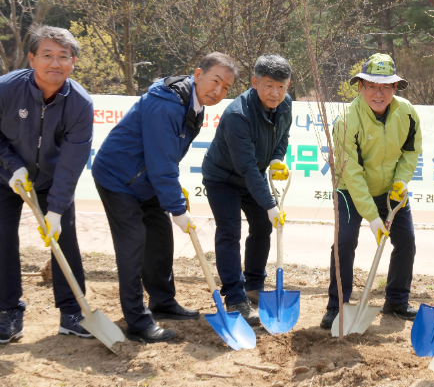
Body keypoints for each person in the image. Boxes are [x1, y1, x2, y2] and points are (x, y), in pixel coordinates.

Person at [91, 52, 237, 343]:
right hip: (118, 178)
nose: (218, 91)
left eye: (226, 88)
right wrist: (176, 207)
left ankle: (162, 302)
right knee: (133, 247)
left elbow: (169, 156)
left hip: (146, 182)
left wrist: (171, 196)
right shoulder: (167, 104)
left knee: (159, 240)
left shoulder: (194, 107)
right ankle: (137, 322)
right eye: (215, 81)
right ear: (198, 74)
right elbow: (161, 161)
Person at [0, 25, 94, 343]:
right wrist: (12, 168)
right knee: (1, 239)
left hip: (53, 180)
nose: (55, 63)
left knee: (64, 239)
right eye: (47, 55)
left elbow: (72, 161)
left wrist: (55, 209)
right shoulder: (6, 90)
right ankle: (8, 312)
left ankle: (72, 312)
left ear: (73, 62)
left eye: (63, 57)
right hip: (4, 178)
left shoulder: (80, 103)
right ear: (32, 58)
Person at [319, 53, 422, 329]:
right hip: (350, 192)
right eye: (372, 86)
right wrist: (373, 217)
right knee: (344, 242)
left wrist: (400, 182)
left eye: (386, 86)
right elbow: (352, 174)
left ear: (395, 88)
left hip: (391, 191)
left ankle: (397, 301)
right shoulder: (347, 121)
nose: (379, 93)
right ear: (360, 87)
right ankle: (336, 305)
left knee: (407, 241)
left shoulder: (408, 113)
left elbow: (411, 153)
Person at [201, 54, 292, 326]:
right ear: (254, 82)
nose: (275, 93)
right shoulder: (237, 115)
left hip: (252, 175)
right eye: (268, 86)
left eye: (281, 87)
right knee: (230, 232)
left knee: (263, 227)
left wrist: (277, 158)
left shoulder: (285, 104)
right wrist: (271, 205)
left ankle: (254, 285)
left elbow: (282, 136)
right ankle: (235, 297)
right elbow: (248, 168)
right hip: (223, 178)